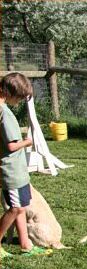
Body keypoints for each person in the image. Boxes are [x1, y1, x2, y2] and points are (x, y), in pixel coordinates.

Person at [0, 72, 51, 258]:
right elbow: (12, 145)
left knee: (21, 206)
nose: (20, 101)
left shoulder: (3, 109)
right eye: (20, 98)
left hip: (16, 169)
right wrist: (27, 142)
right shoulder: (4, 113)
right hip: (10, 170)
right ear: (10, 92)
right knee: (15, 208)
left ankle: (25, 244)